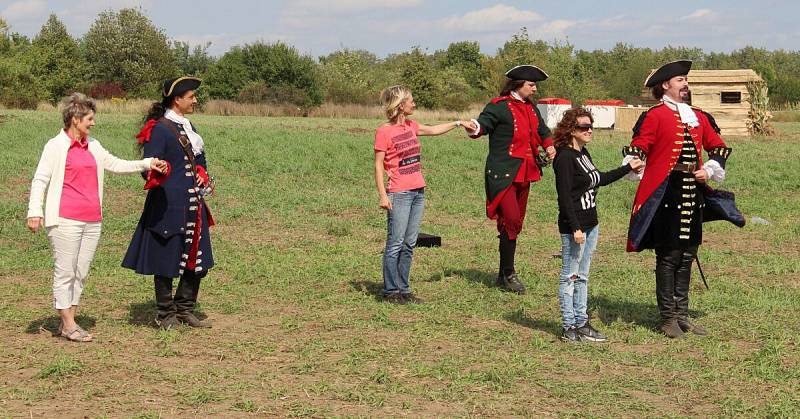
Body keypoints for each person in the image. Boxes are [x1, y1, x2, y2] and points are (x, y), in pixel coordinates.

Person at [26, 92, 167, 342]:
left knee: (80, 271)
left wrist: (147, 163)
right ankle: (69, 325)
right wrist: (35, 211)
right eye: (89, 119)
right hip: (64, 220)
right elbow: (40, 180)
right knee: (65, 271)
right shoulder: (55, 146)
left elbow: (115, 164)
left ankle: (69, 319)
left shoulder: (94, 146)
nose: (93, 123)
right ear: (75, 119)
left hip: (92, 220)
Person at [623, 60, 732, 338]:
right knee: (669, 255)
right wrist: (634, 162)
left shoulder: (698, 116)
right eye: (681, 80)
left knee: (688, 254)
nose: (686, 84)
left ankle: (682, 315)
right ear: (665, 85)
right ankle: (668, 318)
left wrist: (708, 168)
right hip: (666, 191)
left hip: (692, 192)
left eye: (685, 79)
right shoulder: (654, 116)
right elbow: (639, 146)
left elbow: (719, 148)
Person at [123, 77, 215, 329]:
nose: (195, 100)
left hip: (192, 205)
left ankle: (184, 309)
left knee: (197, 259)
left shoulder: (189, 127)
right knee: (166, 259)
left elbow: (200, 161)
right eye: (191, 96)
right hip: (168, 205)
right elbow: (147, 168)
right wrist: (157, 169)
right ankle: (165, 314)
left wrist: (202, 173)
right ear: (177, 99)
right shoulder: (160, 129)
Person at [374, 85, 476, 304]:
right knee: (395, 243)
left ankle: (404, 289)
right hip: (399, 193)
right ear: (401, 105)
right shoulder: (384, 131)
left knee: (409, 243)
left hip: (418, 191)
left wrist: (458, 123)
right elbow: (378, 165)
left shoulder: (411, 126)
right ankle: (391, 291)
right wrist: (383, 195)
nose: (414, 104)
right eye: (411, 101)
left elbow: (433, 130)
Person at [552, 107, 643, 342]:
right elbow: (564, 197)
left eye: (591, 126)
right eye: (584, 127)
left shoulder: (584, 154)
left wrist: (627, 169)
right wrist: (575, 228)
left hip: (592, 223)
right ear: (572, 130)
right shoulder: (564, 158)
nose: (589, 130)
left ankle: (582, 323)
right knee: (569, 276)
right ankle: (568, 326)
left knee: (582, 276)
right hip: (576, 227)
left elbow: (599, 179)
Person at [468, 65, 556, 294]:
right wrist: (474, 127)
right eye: (531, 85)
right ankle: (509, 272)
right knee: (512, 220)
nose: (535, 89)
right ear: (519, 85)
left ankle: (502, 274)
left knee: (514, 223)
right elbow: (482, 124)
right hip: (503, 173)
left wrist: (550, 145)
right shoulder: (499, 106)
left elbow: (542, 130)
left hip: (526, 171)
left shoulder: (531, 108)